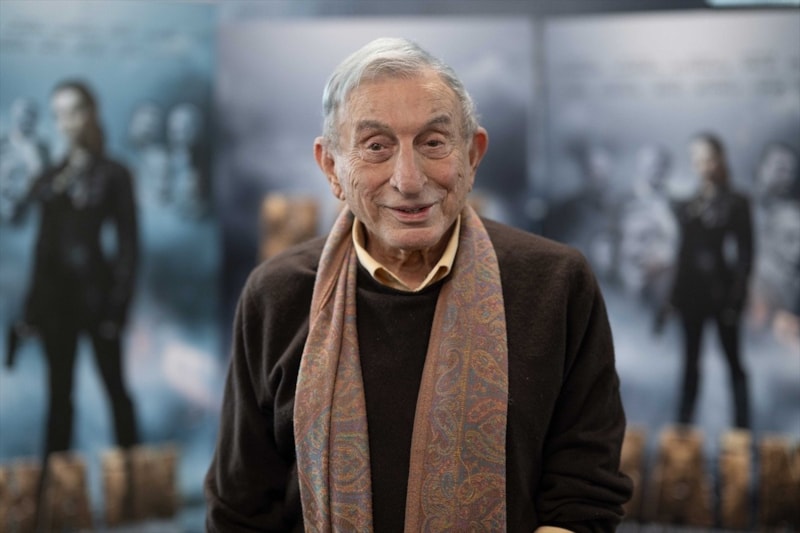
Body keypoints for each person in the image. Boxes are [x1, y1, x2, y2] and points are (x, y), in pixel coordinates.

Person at [205, 38, 632, 532]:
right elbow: (240, 510)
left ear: (472, 155)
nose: (408, 180)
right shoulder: (276, 296)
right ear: (331, 168)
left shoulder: (556, 285)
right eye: (376, 147)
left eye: (432, 143)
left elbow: (584, 495)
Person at [7, 80, 140, 458]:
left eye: (73, 111)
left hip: (99, 296)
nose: (66, 122)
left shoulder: (114, 174)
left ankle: (134, 480)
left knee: (115, 388)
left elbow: (129, 245)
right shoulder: (50, 178)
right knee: (58, 397)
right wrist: (31, 309)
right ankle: (56, 486)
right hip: (56, 302)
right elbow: (42, 249)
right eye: (59, 114)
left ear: (90, 113)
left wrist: (118, 305)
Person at [656, 133, 754, 430]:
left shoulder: (737, 203)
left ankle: (742, 429)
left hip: (724, 292)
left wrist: (737, 298)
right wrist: (671, 299)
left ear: (719, 159)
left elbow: (746, 254)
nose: (702, 165)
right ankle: (683, 431)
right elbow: (683, 254)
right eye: (696, 159)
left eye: (707, 158)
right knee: (690, 364)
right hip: (691, 294)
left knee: (733, 362)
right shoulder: (689, 204)